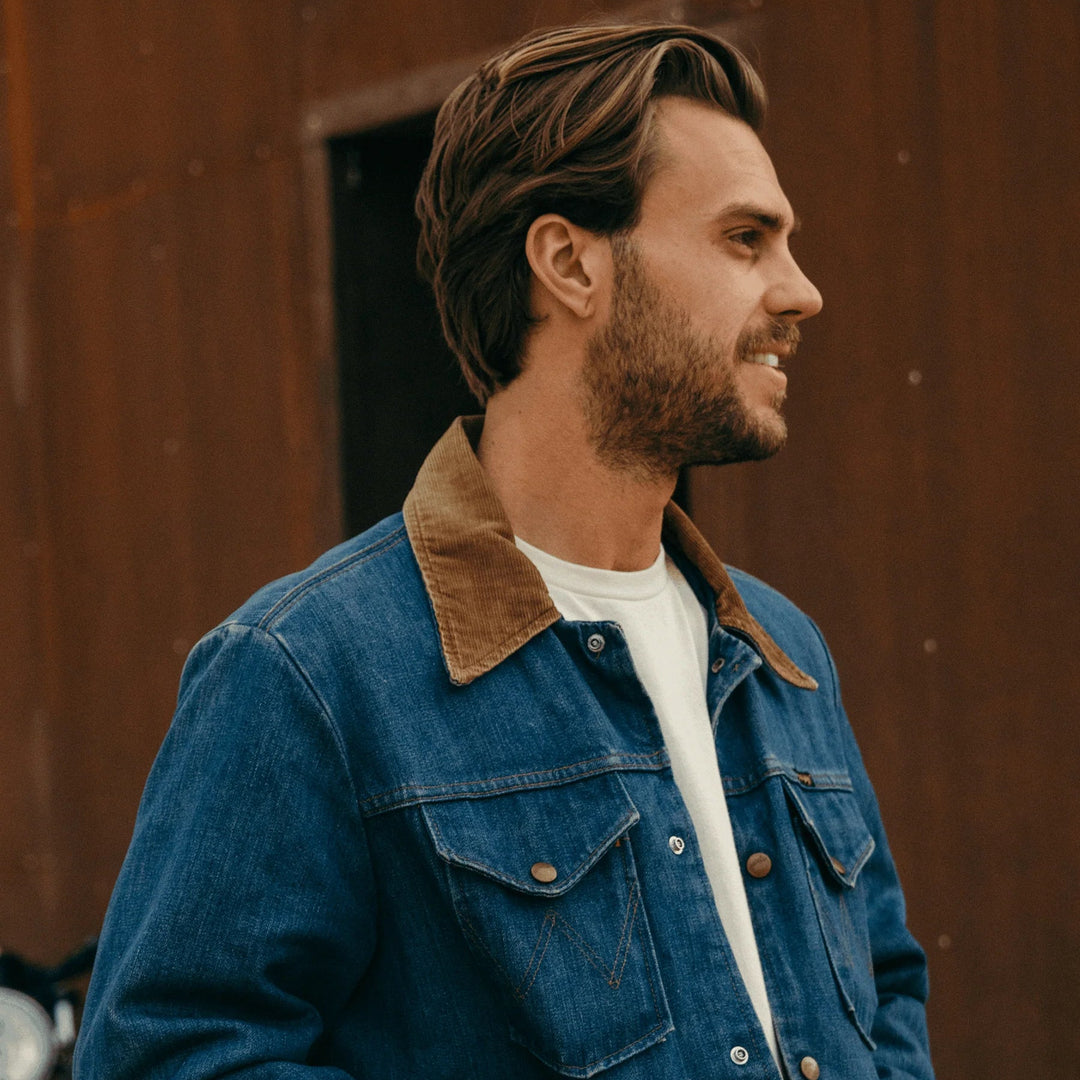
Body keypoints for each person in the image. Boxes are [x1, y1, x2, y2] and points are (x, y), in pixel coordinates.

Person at [75, 23, 935, 1080]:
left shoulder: (778, 650)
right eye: (745, 238)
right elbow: (172, 1055)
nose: (800, 290)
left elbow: (887, 989)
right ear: (570, 262)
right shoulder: (311, 672)